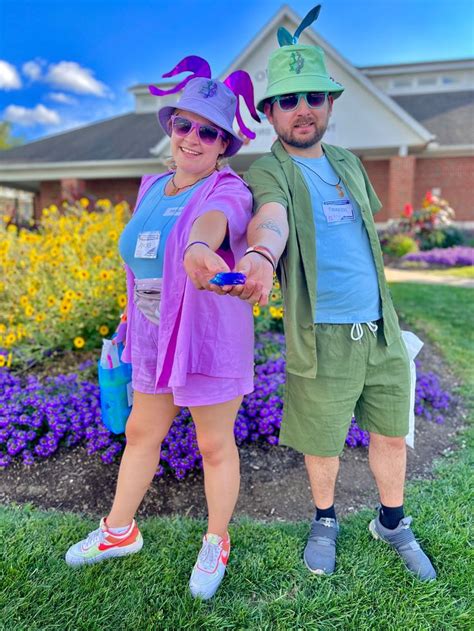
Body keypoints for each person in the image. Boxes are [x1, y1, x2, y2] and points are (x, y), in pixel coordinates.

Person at [188, 6, 436, 581]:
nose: (303, 109)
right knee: (322, 442)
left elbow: (361, 235)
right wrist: (258, 254)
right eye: (289, 100)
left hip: (379, 327)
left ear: (329, 106)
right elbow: (269, 219)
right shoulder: (269, 172)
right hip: (320, 332)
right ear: (270, 112)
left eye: (314, 98)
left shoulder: (348, 161)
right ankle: (324, 518)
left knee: (391, 435)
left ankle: (392, 521)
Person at [65, 56, 260, 600]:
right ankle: (120, 530)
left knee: (214, 444)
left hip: (205, 335)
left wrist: (201, 246)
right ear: (170, 126)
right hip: (151, 333)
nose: (193, 138)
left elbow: (211, 224)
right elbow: (140, 258)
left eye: (209, 132)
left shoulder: (228, 189)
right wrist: (130, 314)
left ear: (224, 144)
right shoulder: (152, 185)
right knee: (140, 433)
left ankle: (217, 539)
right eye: (185, 125)